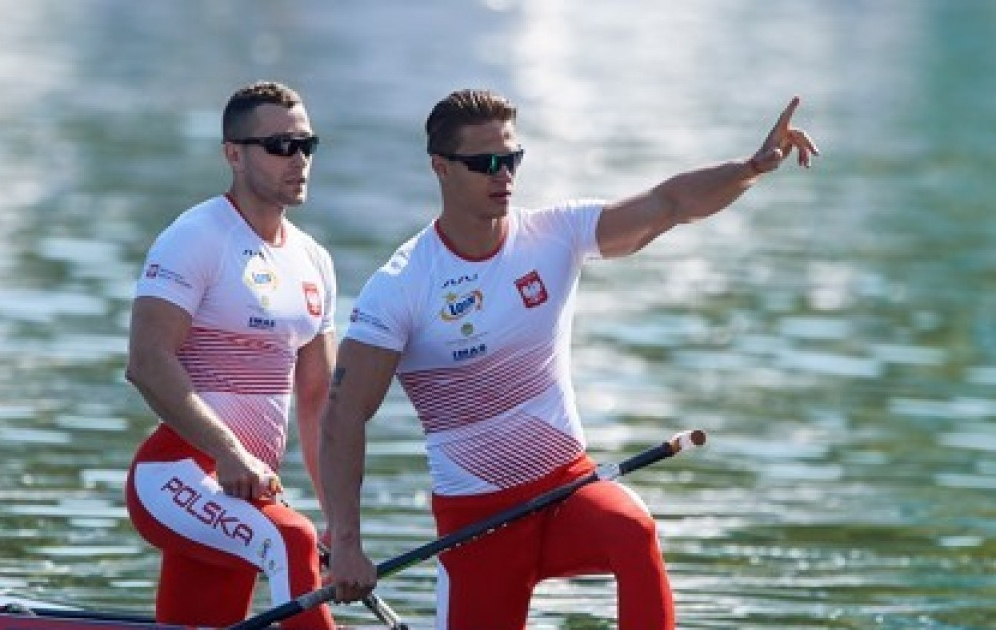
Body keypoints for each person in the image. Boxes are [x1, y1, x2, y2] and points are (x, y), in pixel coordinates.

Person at [320, 89, 818, 630]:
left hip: (566, 488)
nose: (502, 175)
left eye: (511, 159)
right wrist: (346, 544)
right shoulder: (401, 286)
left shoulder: (553, 236)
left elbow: (670, 203)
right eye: (485, 163)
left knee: (632, 530)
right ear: (440, 168)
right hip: (477, 521)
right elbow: (344, 414)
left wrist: (751, 168)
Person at [124, 81, 337, 630]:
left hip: (246, 485)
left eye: (307, 145)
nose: (299, 160)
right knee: (292, 540)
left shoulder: (315, 260)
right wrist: (230, 452)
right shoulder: (195, 237)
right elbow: (147, 362)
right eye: (280, 147)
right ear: (234, 154)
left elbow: (318, 404)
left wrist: (341, 520)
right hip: (176, 472)